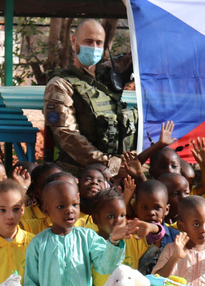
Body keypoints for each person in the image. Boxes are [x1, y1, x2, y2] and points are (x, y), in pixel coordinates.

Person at [43, 19, 137, 174]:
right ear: (74, 40)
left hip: (119, 169)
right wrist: (109, 163)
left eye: (99, 43)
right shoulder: (60, 85)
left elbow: (140, 55)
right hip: (82, 173)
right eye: (88, 41)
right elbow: (68, 135)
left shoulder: (108, 74)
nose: (94, 47)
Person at [154, 195, 205, 286]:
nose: (204, 229)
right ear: (181, 226)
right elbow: (156, 282)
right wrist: (175, 258)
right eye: (196, 224)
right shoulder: (171, 250)